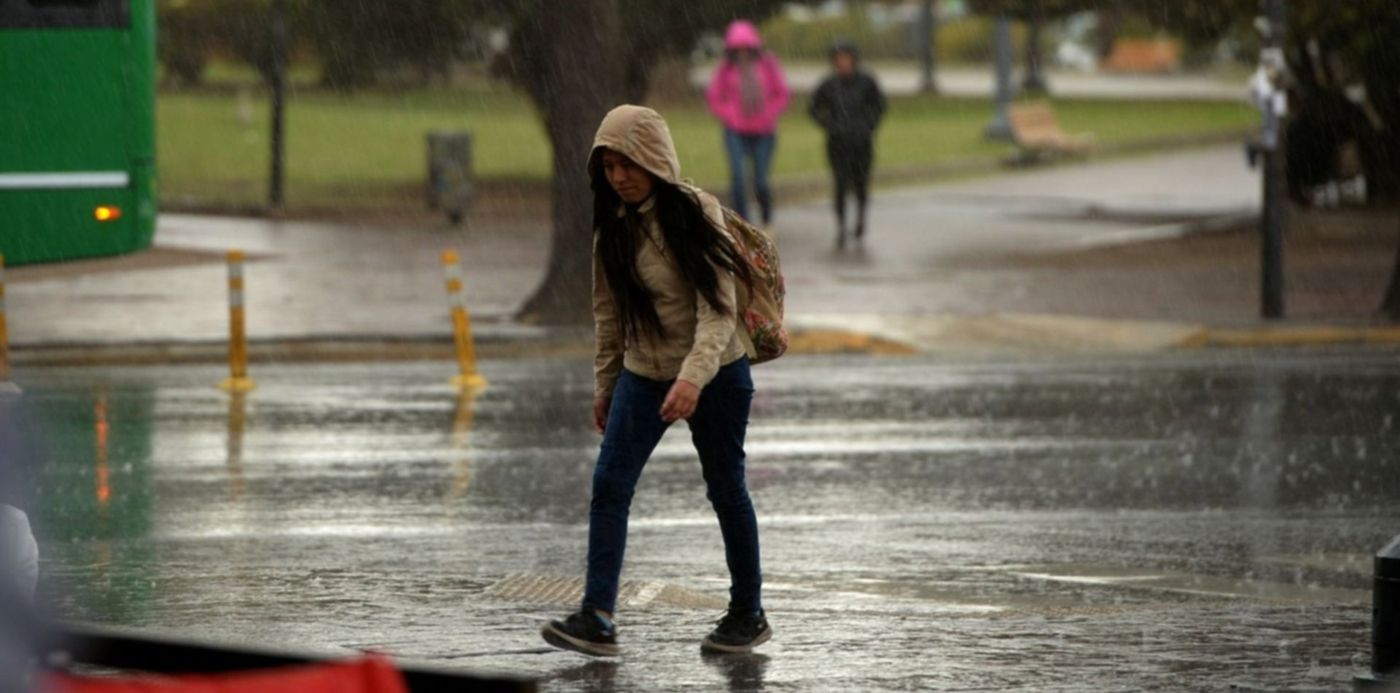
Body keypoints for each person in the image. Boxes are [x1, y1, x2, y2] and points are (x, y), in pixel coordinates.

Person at [540, 105, 772, 658]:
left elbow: (719, 311)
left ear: (656, 160)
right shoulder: (612, 230)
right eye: (609, 165)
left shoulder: (696, 213)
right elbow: (608, 316)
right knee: (609, 486)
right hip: (643, 375)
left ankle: (748, 614)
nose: (619, 176)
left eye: (629, 163)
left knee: (726, 489)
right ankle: (598, 617)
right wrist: (605, 385)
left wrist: (694, 379)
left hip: (717, 371)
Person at [705, 20, 790, 226]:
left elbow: (782, 94)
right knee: (738, 178)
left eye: (746, 47)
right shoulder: (725, 69)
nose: (742, 52)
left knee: (760, 179)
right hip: (735, 131)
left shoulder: (768, 64)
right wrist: (730, 114)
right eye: (737, 48)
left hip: (764, 132)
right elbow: (714, 97)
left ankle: (766, 215)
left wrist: (769, 112)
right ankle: (742, 223)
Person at [808, 39, 887, 249]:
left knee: (861, 183)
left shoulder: (867, 82)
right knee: (840, 184)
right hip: (838, 143)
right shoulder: (828, 84)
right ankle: (841, 226)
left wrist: (868, 125)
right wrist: (829, 125)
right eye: (838, 59)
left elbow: (879, 106)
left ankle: (861, 217)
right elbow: (814, 108)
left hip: (862, 142)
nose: (843, 62)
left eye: (846, 58)